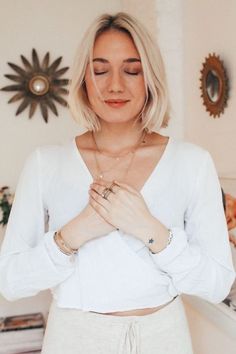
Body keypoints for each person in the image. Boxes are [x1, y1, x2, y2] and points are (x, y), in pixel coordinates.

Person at [0, 12, 235, 354]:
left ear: (150, 77)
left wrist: (151, 230)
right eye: (99, 70)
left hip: (164, 339)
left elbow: (217, 285)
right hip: (74, 339)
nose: (114, 85)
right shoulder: (45, 163)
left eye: (132, 70)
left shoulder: (192, 162)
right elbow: (11, 281)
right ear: (83, 80)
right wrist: (74, 234)